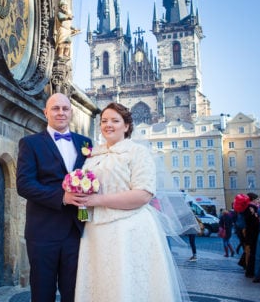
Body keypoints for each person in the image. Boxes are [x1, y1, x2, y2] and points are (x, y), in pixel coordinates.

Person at [73, 102, 188, 301]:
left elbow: (143, 194)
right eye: (104, 121)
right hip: (94, 232)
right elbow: (85, 198)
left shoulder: (138, 152)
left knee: (126, 286)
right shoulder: (93, 155)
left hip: (128, 229)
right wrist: (81, 211)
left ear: (126, 126)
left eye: (115, 121)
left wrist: (97, 199)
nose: (108, 125)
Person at [16, 93, 92, 302]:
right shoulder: (30, 143)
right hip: (43, 233)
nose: (60, 112)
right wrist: (62, 197)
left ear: (71, 112)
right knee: (42, 293)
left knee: (74, 293)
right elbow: (24, 185)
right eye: (55, 108)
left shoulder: (86, 143)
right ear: (46, 112)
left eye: (65, 108)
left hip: (77, 232)